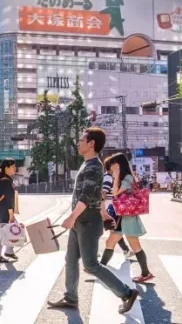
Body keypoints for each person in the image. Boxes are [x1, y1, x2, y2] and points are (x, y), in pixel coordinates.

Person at [48, 128, 139, 314]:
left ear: (91, 143)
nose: (78, 142)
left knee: (90, 264)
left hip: (87, 222)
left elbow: (86, 196)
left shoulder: (93, 167)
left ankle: (126, 293)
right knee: (70, 259)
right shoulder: (87, 164)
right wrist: (104, 214)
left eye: (82, 139)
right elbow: (99, 194)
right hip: (81, 220)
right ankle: (71, 297)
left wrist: (72, 217)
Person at [99, 153, 154, 283]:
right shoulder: (123, 177)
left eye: (112, 164)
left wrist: (116, 176)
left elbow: (115, 193)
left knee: (135, 246)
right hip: (121, 216)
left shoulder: (127, 177)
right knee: (110, 242)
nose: (111, 167)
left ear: (118, 165)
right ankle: (99, 269)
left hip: (128, 217)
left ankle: (146, 273)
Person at [101, 157, 132, 258]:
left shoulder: (108, 177)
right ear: (110, 166)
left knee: (114, 231)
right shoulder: (108, 177)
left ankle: (126, 250)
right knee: (113, 230)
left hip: (108, 207)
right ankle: (125, 250)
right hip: (108, 208)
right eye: (115, 165)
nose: (118, 167)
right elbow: (103, 192)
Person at [0, 158, 18, 264]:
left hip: (3, 210)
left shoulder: (4, 179)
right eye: (13, 167)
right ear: (7, 168)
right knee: (2, 233)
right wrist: (11, 214)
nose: (15, 169)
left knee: (12, 229)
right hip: (5, 211)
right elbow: (7, 198)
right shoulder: (5, 181)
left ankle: (9, 251)